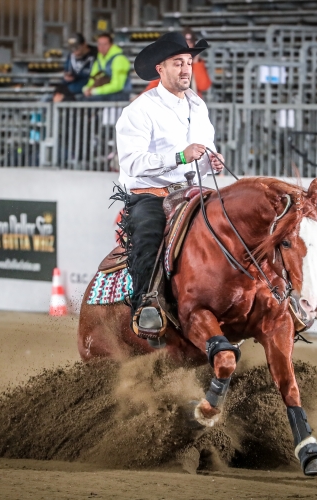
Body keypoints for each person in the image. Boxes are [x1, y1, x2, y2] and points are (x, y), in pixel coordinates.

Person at [115, 31, 224, 335]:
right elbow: (132, 162)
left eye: (188, 61)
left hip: (192, 192)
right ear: (160, 69)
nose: (186, 68)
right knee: (148, 236)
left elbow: (202, 152)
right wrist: (179, 156)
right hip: (151, 194)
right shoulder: (139, 110)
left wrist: (212, 159)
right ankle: (146, 305)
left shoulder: (198, 107)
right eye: (178, 62)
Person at [142, 28, 212, 98]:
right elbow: (154, 85)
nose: (188, 44)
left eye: (190, 42)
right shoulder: (169, 63)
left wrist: (196, 63)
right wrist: (141, 97)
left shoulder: (198, 64)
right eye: (178, 64)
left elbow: (204, 86)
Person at [82, 33, 132, 102]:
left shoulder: (119, 59)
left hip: (120, 95)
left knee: (90, 100)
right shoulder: (99, 60)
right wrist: (87, 89)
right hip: (104, 94)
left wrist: (95, 91)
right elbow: (92, 80)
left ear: (111, 45)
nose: (102, 47)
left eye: (105, 44)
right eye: (99, 44)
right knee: (81, 98)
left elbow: (117, 86)